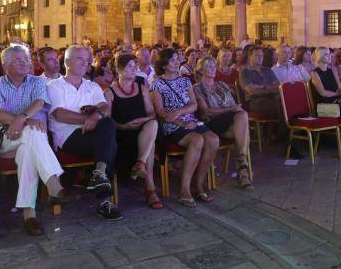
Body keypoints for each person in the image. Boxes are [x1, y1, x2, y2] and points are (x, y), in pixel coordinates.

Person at [0, 45, 70, 236]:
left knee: (28, 148)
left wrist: (21, 120)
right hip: (5, 136)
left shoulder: (37, 82)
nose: (25, 63)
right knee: (34, 131)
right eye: (18, 60)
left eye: (26, 59)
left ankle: (28, 214)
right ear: (5, 65)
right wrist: (23, 120)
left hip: (30, 135)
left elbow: (39, 102)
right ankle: (54, 185)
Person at [48, 45, 122, 221]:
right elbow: (60, 114)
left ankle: (99, 173)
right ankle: (104, 200)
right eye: (79, 58)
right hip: (68, 137)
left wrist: (96, 116)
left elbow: (105, 108)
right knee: (108, 141)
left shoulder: (91, 85)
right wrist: (89, 118)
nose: (85, 62)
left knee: (108, 126)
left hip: (94, 133)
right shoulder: (54, 86)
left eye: (87, 59)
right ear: (67, 62)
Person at [151, 49, 219, 207]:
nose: (176, 62)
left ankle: (199, 183)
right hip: (172, 126)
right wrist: (180, 120)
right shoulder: (157, 84)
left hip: (190, 120)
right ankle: (184, 189)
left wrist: (179, 112)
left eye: (177, 59)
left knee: (214, 140)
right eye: (172, 60)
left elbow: (194, 105)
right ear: (164, 64)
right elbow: (162, 113)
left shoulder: (186, 81)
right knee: (197, 140)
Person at [103, 54, 162, 209]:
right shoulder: (109, 93)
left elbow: (151, 114)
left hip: (144, 131)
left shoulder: (142, 88)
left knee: (153, 124)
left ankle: (141, 165)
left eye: (135, 65)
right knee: (150, 145)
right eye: (130, 66)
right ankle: (150, 189)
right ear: (119, 70)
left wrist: (142, 120)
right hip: (121, 135)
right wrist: (124, 126)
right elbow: (108, 122)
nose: (135, 68)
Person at [194, 56, 253, 189]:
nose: (213, 69)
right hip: (213, 124)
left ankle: (243, 169)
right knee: (243, 122)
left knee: (242, 117)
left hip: (230, 123)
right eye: (209, 66)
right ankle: (242, 168)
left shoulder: (222, 85)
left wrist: (233, 108)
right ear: (201, 70)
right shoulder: (197, 88)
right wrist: (230, 109)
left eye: (214, 66)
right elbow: (206, 112)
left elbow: (233, 105)